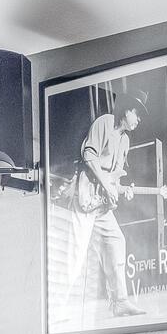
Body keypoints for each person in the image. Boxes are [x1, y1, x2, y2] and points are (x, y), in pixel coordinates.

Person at [57, 99, 140, 318]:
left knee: (116, 241)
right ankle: (54, 309)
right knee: (74, 254)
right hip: (85, 197)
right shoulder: (105, 122)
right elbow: (89, 156)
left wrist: (122, 190)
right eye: (137, 114)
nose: (138, 120)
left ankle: (120, 301)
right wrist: (107, 185)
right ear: (127, 109)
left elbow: (112, 179)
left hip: (101, 204)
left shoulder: (125, 142)